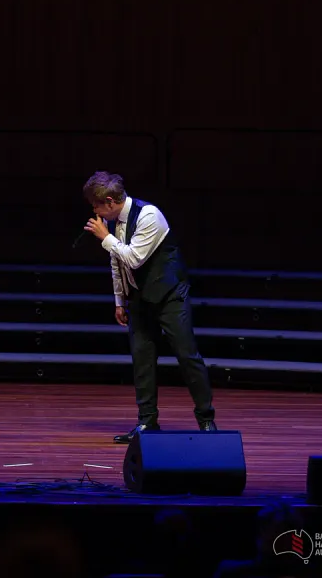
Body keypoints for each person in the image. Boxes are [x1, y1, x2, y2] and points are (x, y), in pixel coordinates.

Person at [83, 170, 216, 443]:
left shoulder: (148, 215)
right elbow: (117, 263)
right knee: (142, 360)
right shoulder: (113, 222)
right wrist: (120, 300)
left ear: (109, 202)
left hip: (169, 295)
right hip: (139, 298)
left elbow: (134, 258)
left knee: (187, 356)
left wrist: (105, 238)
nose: (94, 211)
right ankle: (147, 422)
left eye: (96, 205)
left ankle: (206, 420)